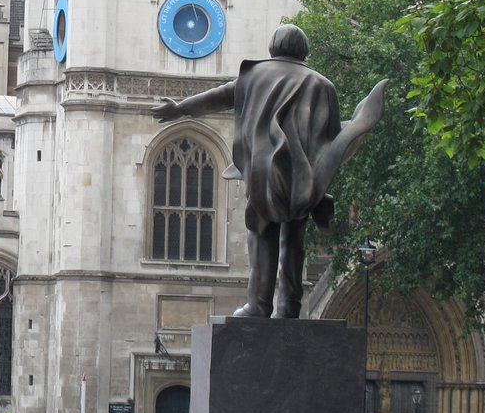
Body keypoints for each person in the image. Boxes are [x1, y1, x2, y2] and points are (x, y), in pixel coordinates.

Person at [153, 25, 385, 317]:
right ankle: (290, 305)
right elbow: (330, 136)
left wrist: (180, 108)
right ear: (304, 50)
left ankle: (259, 305)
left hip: (266, 173)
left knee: (262, 236)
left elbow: (218, 96)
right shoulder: (323, 85)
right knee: (294, 240)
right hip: (304, 177)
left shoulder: (254, 77)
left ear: (273, 47)